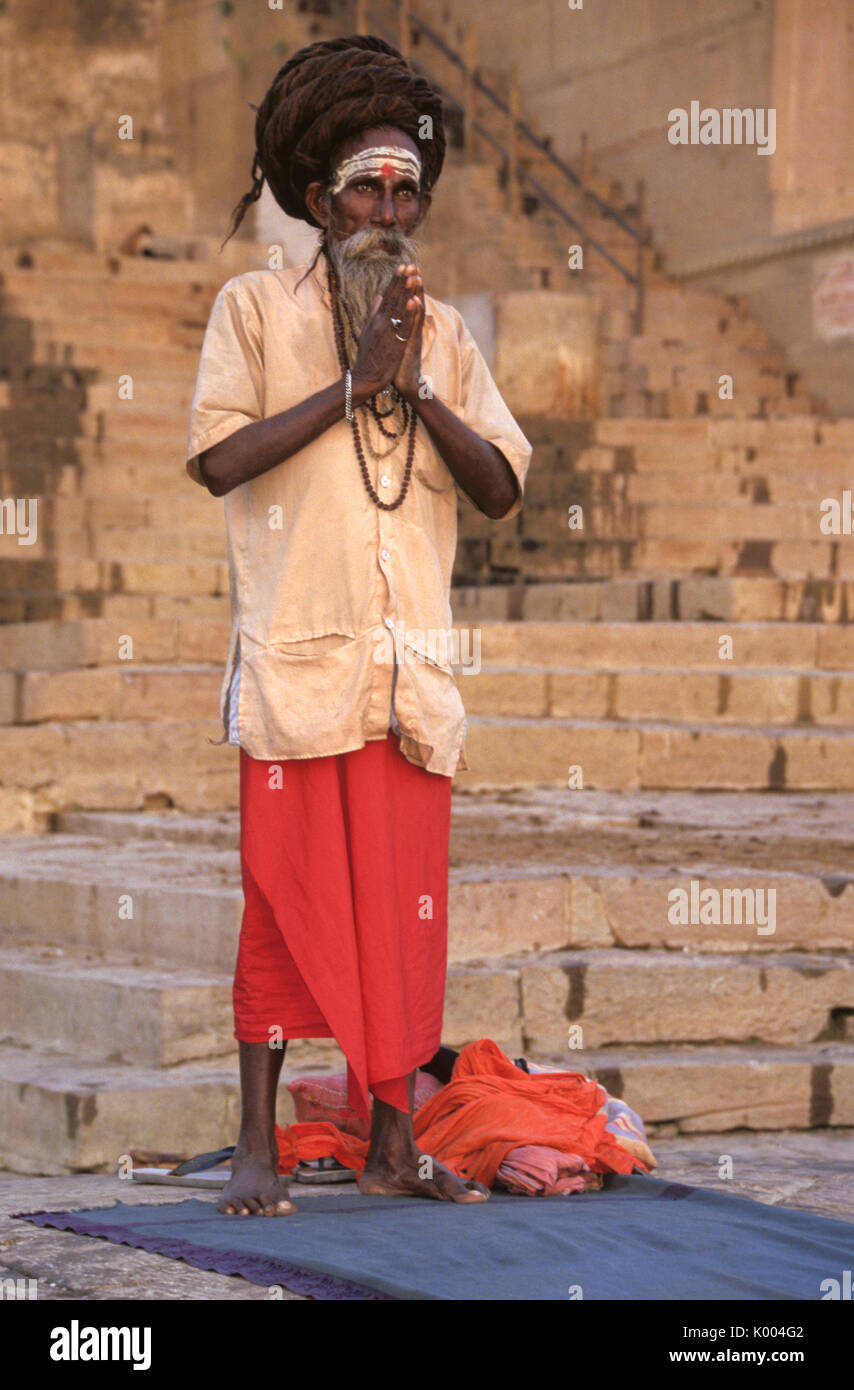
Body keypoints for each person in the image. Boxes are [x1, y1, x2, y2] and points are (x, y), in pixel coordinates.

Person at [184, 34, 532, 1217]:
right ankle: (254, 1148)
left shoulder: (442, 336)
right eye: (364, 189)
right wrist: (346, 386)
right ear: (321, 203)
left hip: (407, 683)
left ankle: (392, 1144)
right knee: (280, 914)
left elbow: (497, 488)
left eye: (403, 191)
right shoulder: (250, 308)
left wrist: (409, 381)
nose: (387, 208)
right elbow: (218, 458)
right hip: (297, 675)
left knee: (400, 922)